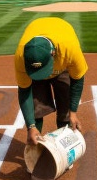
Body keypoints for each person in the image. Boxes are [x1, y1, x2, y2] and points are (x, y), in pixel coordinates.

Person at [14, 17, 88, 146]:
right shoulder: (21, 56)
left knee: (65, 105)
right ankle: (36, 145)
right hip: (40, 58)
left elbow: (77, 80)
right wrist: (30, 126)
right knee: (35, 105)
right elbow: (25, 91)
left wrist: (73, 112)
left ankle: (64, 145)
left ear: (53, 53)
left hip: (62, 64)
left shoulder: (70, 49)